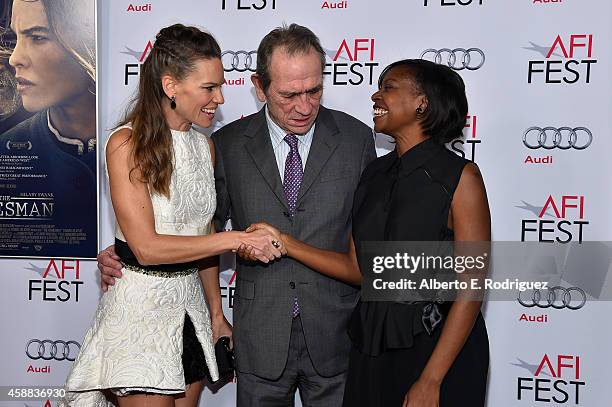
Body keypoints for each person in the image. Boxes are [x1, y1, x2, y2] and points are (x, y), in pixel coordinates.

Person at [99, 23, 377, 406]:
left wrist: (212, 311)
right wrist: (123, 252)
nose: (304, 105)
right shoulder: (226, 144)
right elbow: (190, 230)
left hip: (334, 334)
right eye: (288, 94)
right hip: (255, 334)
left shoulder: (356, 139)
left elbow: (369, 241)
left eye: (314, 90)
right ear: (260, 88)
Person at [61, 24, 282, 407]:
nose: (219, 98)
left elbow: (201, 237)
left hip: (190, 314)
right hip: (141, 316)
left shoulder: (203, 146)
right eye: (209, 88)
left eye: (220, 86)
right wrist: (237, 238)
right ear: (170, 86)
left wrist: (216, 313)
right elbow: (146, 247)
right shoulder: (126, 144)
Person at [247, 59, 491, 406]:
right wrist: (285, 243)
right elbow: (358, 269)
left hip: (437, 348)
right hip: (371, 349)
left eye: (389, 87)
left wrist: (431, 379)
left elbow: (472, 285)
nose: (376, 95)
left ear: (422, 102)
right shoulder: (374, 174)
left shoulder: (460, 176)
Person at [0, 0, 96, 257]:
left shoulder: (149, 147)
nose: (15, 58)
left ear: (87, 41)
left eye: (38, 37)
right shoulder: (5, 152)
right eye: (15, 38)